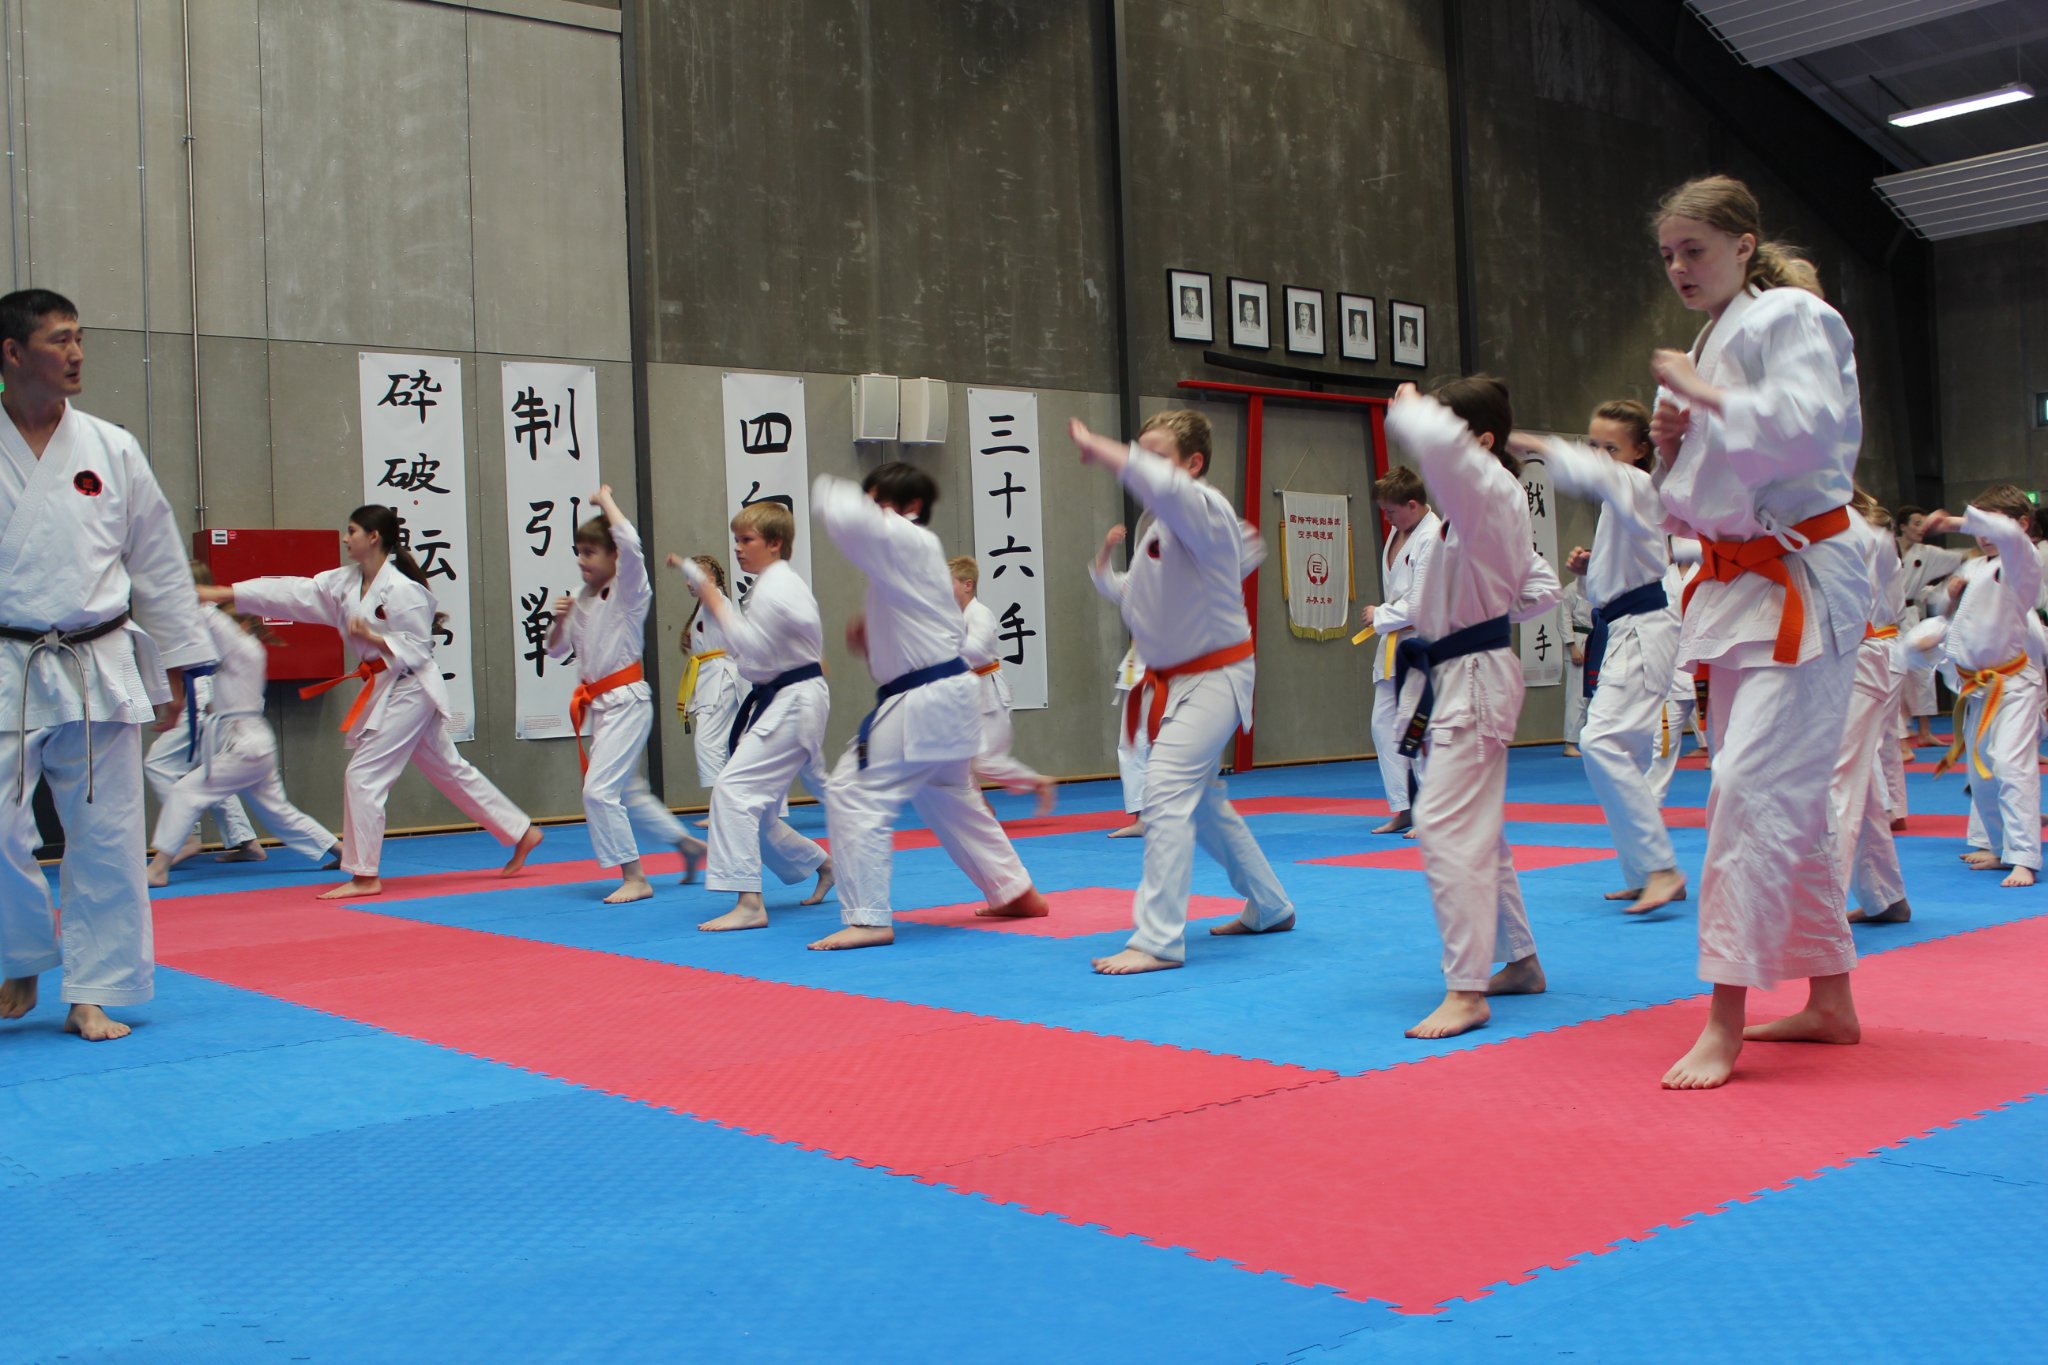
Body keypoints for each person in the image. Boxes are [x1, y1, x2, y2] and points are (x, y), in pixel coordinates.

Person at [1646, 175, 1867, 1090]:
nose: (1679, 267)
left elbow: (1811, 432)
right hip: (1740, 586)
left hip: (1803, 579)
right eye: (1668, 254)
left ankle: (1723, 1018)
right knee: (1784, 796)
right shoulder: (1715, 335)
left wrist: (1703, 394)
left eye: (1694, 249)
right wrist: (1671, 445)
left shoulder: (1793, 316)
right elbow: (1695, 499)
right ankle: (1830, 999)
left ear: (1744, 244)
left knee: (1744, 790)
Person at [0, 287, 216, 1042]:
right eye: (59, 340)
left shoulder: (111, 447)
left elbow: (156, 561)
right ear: (12, 353)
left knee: (108, 834)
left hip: (98, 656)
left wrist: (180, 665)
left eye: (80, 337)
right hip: (7, 660)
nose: (77, 353)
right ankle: (21, 950)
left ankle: (93, 990)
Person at [204, 504, 542, 899]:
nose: (345, 538)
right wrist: (228, 593)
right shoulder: (345, 582)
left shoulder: (401, 590)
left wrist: (375, 637)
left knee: (363, 776)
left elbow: (418, 648)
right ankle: (521, 831)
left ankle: (365, 874)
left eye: (352, 531)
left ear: (373, 537)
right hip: (389, 685)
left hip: (411, 686)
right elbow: (292, 592)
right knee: (448, 769)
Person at [1067, 409, 1295, 975]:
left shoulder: (1202, 506)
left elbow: (1169, 491)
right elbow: (1138, 597)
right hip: (1175, 677)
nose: (1144, 465)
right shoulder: (1160, 526)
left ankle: (1157, 939)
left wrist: (1100, 446)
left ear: (1192, 464)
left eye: (1157, 455)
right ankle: (1270, 905)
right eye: (1138, 451)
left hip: (1216, 675)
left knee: (1165, 790)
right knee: (1206, 806)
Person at [1381, 378, 1559, 1038]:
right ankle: (1522, 961)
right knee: (1477, 829)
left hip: (1475, 674)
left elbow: (1440, 450)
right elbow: (1541, 584)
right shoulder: (1478, 505)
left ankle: (1466, 988)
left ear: (1481, 441)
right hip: (1459, 667)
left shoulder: (1487, 489)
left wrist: (1410, 407)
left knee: (1443, 825)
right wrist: (1488, 601)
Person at [809, 464, 1049, 950]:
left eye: (878, 500)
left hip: (924, 700)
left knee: (852, 792)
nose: (872, 510)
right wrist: (874, 636)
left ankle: (868, 918)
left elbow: (840, 510)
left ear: (910, 506)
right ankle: (1014, 890)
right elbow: (936, 634)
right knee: (949, 795)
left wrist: (826, 488)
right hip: (947, 697)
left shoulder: (907, 537)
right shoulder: (914, 563)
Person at [1518, 401, 1685, 913]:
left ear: (1639, 451)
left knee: (1601, 741)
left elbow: (1591, 473)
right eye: (1594, 445)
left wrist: (1536, 445)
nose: (1600, 455)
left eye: (1611, 447)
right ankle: (1644, 872)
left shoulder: (1637, 483)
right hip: (1626, 624)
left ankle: (1661, 868)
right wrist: (1592, 571)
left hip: (1644, 628)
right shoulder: (1621, 498)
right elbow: (1615, 584)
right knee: (1626, 754)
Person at [671, 501, 834, 931]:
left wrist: (713, 600)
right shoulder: (774, 584)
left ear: (775, 543)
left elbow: (752, 649)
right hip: (787, 697)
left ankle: (749, 903)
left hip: (793, 699)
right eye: (736, 540)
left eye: (747, 540)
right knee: (754, 806)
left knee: (733, 791)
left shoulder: (775, 588)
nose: (738, 548)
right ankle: (822, 865)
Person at [544, 487, 704, 904]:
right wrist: (558, 621)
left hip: (627, 701)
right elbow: (555, 650)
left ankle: (635, 876)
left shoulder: (629, 592)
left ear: (614, 556)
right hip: (600, 706)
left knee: (598, 792)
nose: (582, 560)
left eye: (591, 552)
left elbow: (631, 544)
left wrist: (606, 501)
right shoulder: (578, 598)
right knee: (628, 793)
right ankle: (687, 845)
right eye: (579, 552)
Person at [146, 576, 340, 889]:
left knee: (185, 792)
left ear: (240, 626)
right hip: (250, 742)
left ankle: (158, 868)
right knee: (279, 813)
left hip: (245, 744)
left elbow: (210, 618)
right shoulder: (241, 653)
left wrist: (184, 589)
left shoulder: (243, 647)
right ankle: (342, 851)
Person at [1924, 487, 2041, 888]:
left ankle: (2024, 857)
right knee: (1982, 773)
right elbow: (1958, 628)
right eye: (1978, 527)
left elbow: (2005, 535)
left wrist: (1953, 522)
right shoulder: (1977, 567)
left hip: (2014, 684)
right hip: (1978, 686)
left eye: (1989, 524)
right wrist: (1950, 602)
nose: (1982, 534)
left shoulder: (2022, 558)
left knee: (2009, 764)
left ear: (2022, 524)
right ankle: (1999, 845)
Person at [144, 563, 269, 870]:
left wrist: (172, 708)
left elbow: (178, 667)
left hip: (206, 702)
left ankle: (181, 839)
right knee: (211, 772)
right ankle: (245, 840)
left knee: (158, 763)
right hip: (219, 701)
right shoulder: (215, 615)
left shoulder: (193, 617)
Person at [1832, 492, 1911, 923]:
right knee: (1858, 779)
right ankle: (1884, 895)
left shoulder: (1860, 532)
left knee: (1836, 778)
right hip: (1836, 653)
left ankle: (1820, 911)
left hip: (1858, 650)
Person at [1360, 465, 1440, 834]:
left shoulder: (1433, 537)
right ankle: (1403, 807)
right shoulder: (1399, 530)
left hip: (1422, 642)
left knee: (1418, 728)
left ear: (1412, 504)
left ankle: (1432, 813)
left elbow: (1423, 603)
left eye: (1390, 511)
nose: (1386, 518)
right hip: (1393, 643)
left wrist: (1380, 614)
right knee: (1382, 726)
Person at [950, 555, 1056, 815]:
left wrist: (946, 645)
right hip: (965, 693)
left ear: (968, 585)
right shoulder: (954, 617)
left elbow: (977, 650)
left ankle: (1037, 782)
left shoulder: (980, 614)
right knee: (957, 757)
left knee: (984, 761)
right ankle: (980, 806)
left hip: (988, 692)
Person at [1894, 505, 1965, 751]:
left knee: (1923, 672)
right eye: (1916, 523)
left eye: (1924, 523)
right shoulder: (1887, 548)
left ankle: (1924, 731)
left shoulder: (1927, 553)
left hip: (1910, 614)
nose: (1921, 528)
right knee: (1894, 673)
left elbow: (1962, 556)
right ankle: (1901, 731)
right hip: (1887, 616)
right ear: (1902, 526)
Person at [1095, 527, 1148, 838]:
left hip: (1176, 667)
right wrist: (1107, 546)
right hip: (1139, 668)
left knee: (1173, 743)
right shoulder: (1132, 582)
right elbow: (1103, 579)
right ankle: (1143, 818)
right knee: (1132, 742)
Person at [678, 554, 743, 805]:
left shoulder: (716, 598)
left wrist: (679, 562)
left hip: (720, 680)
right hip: (713, 678)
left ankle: (721, 808)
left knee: (708, 743)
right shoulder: (706, 607)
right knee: (723, 744)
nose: (688, 583)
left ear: (711, 579)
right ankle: (728, 806)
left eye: (693, 576)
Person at [1561, 574, 1590, 756]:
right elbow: (1564, 620)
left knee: (1598, 695)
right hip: (1579, 642)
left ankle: (1593, 740)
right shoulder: (1570, 590)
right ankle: (1570, 743)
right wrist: (1572, 647)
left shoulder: (1601, 589)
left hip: (1598, 640)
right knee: (1577, 696)